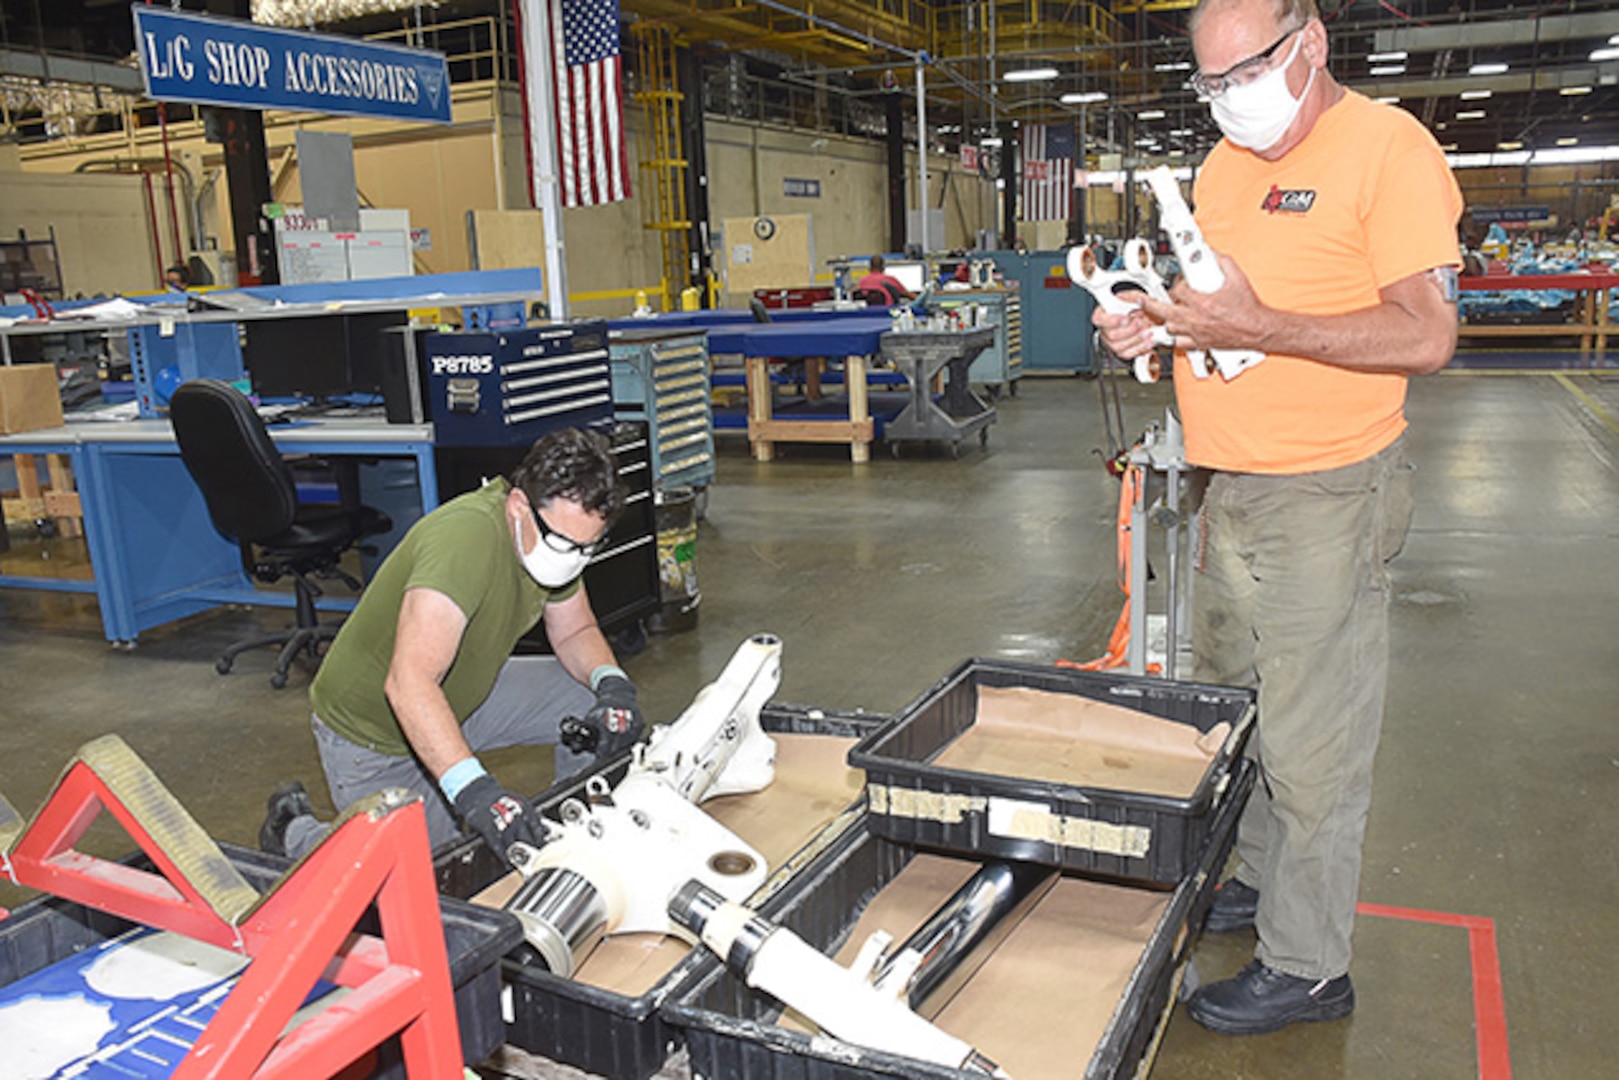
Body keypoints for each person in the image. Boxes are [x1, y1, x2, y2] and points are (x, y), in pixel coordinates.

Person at [1094, 0, 1461, 1037]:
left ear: (1310, 47)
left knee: (1314, 741)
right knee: (1240, 712)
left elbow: (1425, 336)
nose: (1225, 102)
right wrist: (1150, 324)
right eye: (1206, 85)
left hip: (1326, 489)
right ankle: (1256, 883)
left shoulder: (1388, 149)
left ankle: (1307, 966)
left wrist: (1261, 324)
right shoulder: (1216, 169)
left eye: (1241, 75)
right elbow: (1213, 308)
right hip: (1228, 484)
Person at [259, 427, 645, 868]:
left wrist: (614, 687)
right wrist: (478, 793)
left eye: (588, 548)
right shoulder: (463, 542)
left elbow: (575, 631)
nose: (573, 558)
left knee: (590, 705)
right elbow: (408, 684)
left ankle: (574, 846)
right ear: (519, 505)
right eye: (565, 544)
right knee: (441, 874)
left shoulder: (551, 539)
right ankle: (294, 832)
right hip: (378, 733)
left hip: (465, 693)